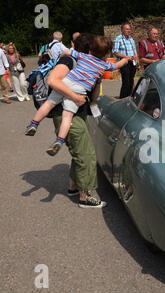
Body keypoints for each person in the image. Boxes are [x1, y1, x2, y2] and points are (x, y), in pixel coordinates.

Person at [25, 35, 129, 156]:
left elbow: (67, 51)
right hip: (79, 91)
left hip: (67, 82)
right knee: (67, 116)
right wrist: (126, 60)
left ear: (91, 50)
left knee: (49, 104)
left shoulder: (84, 56)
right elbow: (116, 65)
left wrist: (62, 55)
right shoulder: (104, 65)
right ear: (107, 54)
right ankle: (59, 141)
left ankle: (34, 124)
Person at [48, 32, 107, 208]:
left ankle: (73, 187)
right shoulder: (69, 61)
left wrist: (97, 82)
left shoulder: (90, 66)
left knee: (80, 152)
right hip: (65, 113)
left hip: (79, 114)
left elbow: (93, 99)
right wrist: (76, 97)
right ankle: (85, 197)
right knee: (86, 155)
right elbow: (53, 80)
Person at [113, 23, 139, 98]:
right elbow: (115, 52)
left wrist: (137, 62)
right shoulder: (118, 39)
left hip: (132, 62)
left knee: (131, 81)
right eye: (127, 29)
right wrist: (126, 57)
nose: (129, 30)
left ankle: (130, 98)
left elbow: (135, 52)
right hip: (124, 62)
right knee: (126, 82)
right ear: (122, 30)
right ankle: (123, 98)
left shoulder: (131, 39)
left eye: (129, 29)